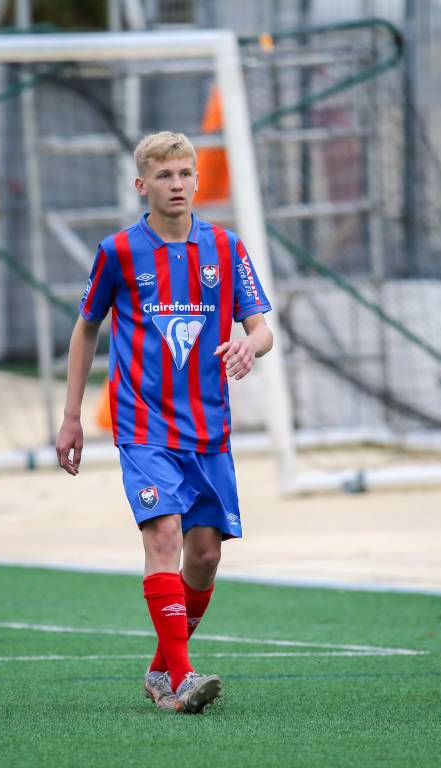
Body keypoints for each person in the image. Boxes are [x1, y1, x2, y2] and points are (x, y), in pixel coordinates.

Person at [55, 131, 274, 712]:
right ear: (142, 185)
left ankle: (160, 670)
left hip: (209, 430)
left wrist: (250, 344)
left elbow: (262, 328)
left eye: (185, 174)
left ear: (197, 180)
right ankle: (182, 678)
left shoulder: (225, 248)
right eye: (164, 176)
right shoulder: (119, 252)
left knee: (204, 558)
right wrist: (72, 416)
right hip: (144, 426)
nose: (176, 185)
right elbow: (86, 328)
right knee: (164, 537)